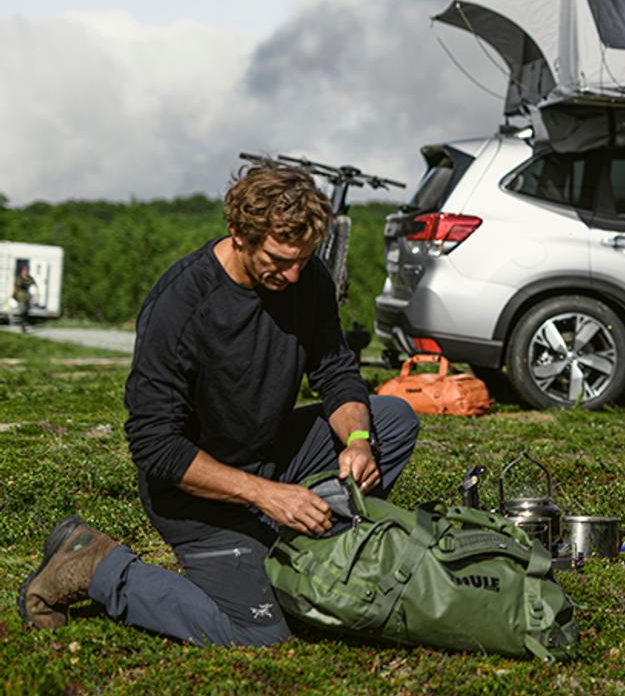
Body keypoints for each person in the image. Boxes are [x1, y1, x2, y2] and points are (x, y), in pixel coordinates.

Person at [18, 164, 420, 646]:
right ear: (238, 233)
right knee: (260, 632)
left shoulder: (305, 277)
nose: (293, 274)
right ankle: (97, 565)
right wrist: (265, 495)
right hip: (194, 496)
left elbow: (335, 372)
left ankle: (315, 547)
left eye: (304, 258)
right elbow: (155, 447)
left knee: (391, 422)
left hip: (271, 457)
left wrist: (357, 441)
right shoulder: (181, 306)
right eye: (278, 259)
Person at [12, 263, 35, 332]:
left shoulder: (29, 278)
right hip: (21, 295)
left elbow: (33, 284)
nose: (26, 271)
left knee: (27, 311)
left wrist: (36, 291)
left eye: (27, 270)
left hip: (27, 296)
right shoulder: (19, 278)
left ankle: (24, 322)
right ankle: (23, 326)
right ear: (22, 271)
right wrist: (13, 295)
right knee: (22, 310)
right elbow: (15, 287)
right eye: (24, 270)